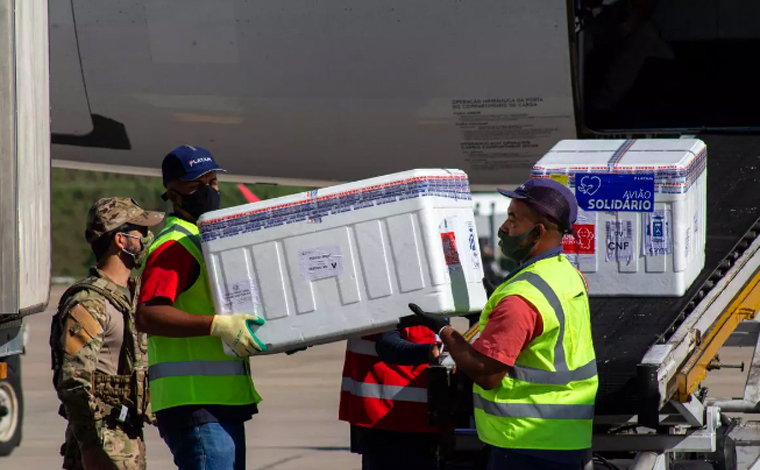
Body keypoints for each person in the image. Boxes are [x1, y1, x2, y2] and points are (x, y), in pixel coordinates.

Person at [407, 178, 598, 470]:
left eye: (513, 219)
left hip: (525, 443)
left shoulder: (521, 297)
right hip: (567, 437)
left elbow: (487, 373)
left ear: (539, 231)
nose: (504, 228)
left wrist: (444, 331)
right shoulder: (568, 275)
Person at [135, 145, 265, 470]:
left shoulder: (204, 238)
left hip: (221, 402)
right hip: (194, 404)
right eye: (197, 186)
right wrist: (216, 325)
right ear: (174, 195)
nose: (209, 191)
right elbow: (148, 314)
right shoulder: (175, 245)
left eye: (213, 182)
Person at [51, 197, 164, 470]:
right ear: (121, 241)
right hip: (102, 445)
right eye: (141, 232)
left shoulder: (129, 296)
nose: (148, 238)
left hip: (126, 441)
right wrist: (91, 448)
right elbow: (74, 382)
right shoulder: (89, 303)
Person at [340, 326, 442, 470]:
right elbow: (387, 343)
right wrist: (432, 351)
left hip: (404, 414)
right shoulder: (391, 306)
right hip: (393, 416)